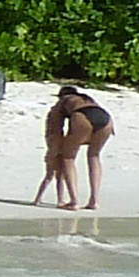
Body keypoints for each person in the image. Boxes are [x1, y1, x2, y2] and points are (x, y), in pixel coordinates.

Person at [34, 82, 113, 210]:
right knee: (94, 155)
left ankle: (74, 201)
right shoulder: (86, 99)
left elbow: (54, 130)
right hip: (105, 118)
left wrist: (53, 151)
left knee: (68, 158)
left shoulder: (63, 102)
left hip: (82, 116)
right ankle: (94, 200)